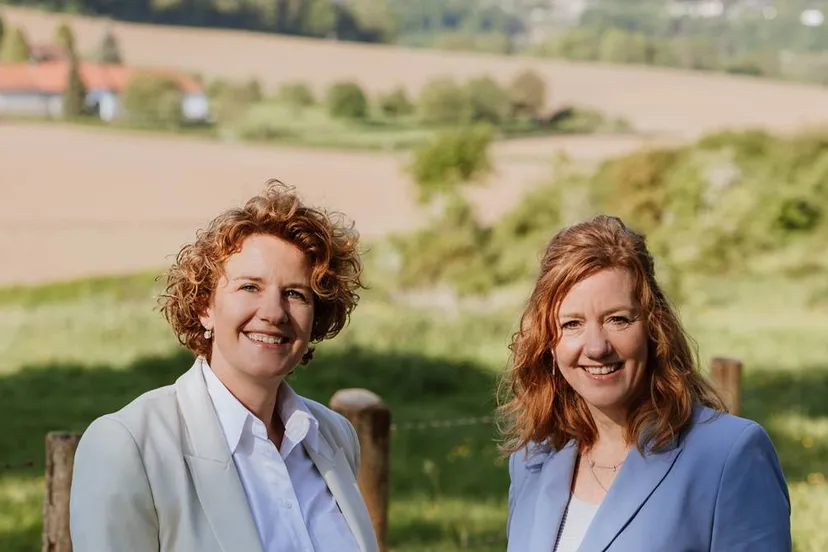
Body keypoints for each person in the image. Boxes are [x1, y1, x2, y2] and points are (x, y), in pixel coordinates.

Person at [70, 180, 379, 552]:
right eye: (250, 287)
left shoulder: (334, 436)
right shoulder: (128, 446)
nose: (272, 313)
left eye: (295, 294)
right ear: (205, 307)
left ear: (317, 317)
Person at [498, 215, 791, 552]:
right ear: (548, 341)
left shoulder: (729, 455)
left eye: (617, 319)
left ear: (655, 329)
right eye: (572, 323)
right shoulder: (532, 460)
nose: (596, 347)